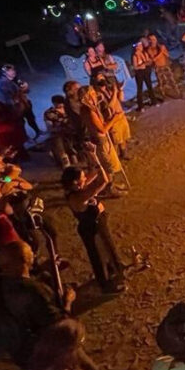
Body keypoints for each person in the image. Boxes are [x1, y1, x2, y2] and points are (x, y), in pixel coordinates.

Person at [62, 165, 125, 293]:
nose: (85, 178)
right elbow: (103, 181)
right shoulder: (79, 197)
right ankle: (106, 285)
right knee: (99, 256)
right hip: (92, 229)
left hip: (97, 225)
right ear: (76, 183)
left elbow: (94, 172)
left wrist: (93, 154)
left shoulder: (78, 189)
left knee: (106, 250)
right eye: (82, 178)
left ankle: (112, 270)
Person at [77, 84, 124, 186]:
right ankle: (110, 187)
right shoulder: (89, 111)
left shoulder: (86, 108)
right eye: (92, 93)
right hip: (100, 140)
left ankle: (112, 185)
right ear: (87, 96)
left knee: (108, 164)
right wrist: (115, 119)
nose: (95, 95)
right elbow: (102, 129)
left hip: (98, 139)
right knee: (108, 165)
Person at [0, 63, 41, 138]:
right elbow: (5, 97)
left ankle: (38, 131)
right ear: (5, 73)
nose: (13, 71)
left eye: (13, 70)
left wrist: (25, 88)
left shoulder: (16, 80)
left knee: (30, 118)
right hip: (13, 107)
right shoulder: (1, 83)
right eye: (11, 70)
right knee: (20, 122)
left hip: (24, 104)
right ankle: (25, 138)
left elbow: (25, 91)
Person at [94, 73, 132, 161]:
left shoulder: (110, 90)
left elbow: (121, 99)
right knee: (115, 140)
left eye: (102, 78)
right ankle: (114, 158)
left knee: (123, 137)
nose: (101, 81)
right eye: (99, 79)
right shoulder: (98, 95)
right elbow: (110, 105)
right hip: (112, 119)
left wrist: (121, 90)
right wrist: (114, 92)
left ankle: (124, 153)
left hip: (120, 116)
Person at [44, 95, 78, 169]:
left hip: (71, 133)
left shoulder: (68, 109)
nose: (61, 105)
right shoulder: (49, 113)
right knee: (61, 151)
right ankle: (66, 167)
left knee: (72, 149)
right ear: (54, 103)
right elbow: (49, 127)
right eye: (58, 103)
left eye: (62, 103)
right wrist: (59, 128)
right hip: (57, 134)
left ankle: (75, 164)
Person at [131, 37, 161, 110]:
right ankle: (141, 106)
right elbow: (135, 67)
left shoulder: (144, 53)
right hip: (139, 73)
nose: (140, 47)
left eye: (141, 46)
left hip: (146, 71)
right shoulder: (134, 56)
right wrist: (141, 66)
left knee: (149, 86)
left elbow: (148, 61)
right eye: (139, 46)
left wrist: (146, 63)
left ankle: (154, 101)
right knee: (140, 89)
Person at [148, 33, 180, 99]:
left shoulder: (161, 46)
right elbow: (153, 59)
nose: (153, 40)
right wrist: (161, 52)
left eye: (154, 39)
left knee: (172, 80)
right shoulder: (149, 49)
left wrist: (164, 51)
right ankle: (164, 96)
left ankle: (178, 93)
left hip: (165, 65)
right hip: (158, 67)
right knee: (161, 83)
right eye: (151, 39)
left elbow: (167, 55)